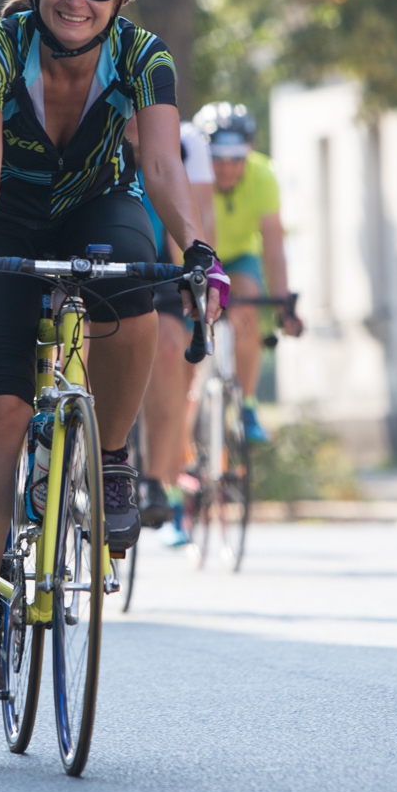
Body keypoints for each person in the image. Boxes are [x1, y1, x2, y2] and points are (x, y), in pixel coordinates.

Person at [0, 0, 227, 691]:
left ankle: (112, 457)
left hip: (99, 203)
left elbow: (162, 166)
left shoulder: (144, 58)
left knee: (137, 278)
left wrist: (200, 250)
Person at [193, 102, 304, 445]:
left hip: (238, 257)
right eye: (218, 158)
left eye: (236, 159)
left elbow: (273, 248)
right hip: (197, 256)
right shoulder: (191, 173)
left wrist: (284, 303)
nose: (226, 168)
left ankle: (248, 404)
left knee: (248, 307)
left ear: (249, 154)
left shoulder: (263, 175)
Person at [136, 118, 217, 544]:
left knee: (169, 349)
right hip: (101, 245)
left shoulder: (187, 141)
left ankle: (153, 479)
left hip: (161, 257)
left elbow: (200, 214)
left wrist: (204, 272)